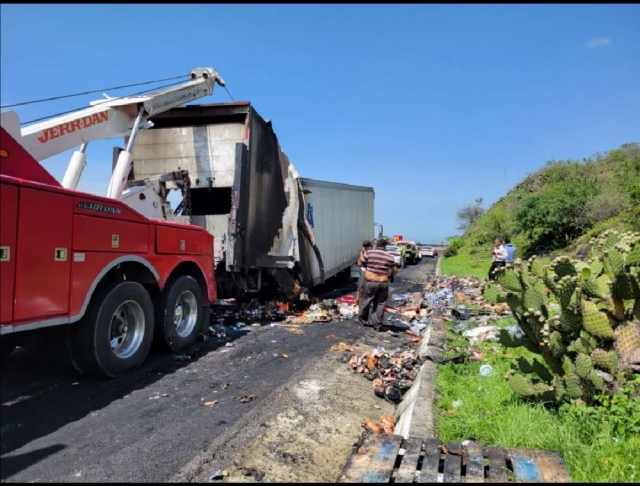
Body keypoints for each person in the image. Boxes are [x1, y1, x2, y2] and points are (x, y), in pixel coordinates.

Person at [358, 238, 398, 331]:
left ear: (376, 245)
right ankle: (377, 325)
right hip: (383, 283)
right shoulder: (389, 256)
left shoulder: (369, 253)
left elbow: (360, 263)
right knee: (380, 303)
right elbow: (395, 270)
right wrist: (391, 276)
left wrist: (366, 264)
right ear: (385, 246)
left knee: (365, 301)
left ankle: (363, 321)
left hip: (371, 282)